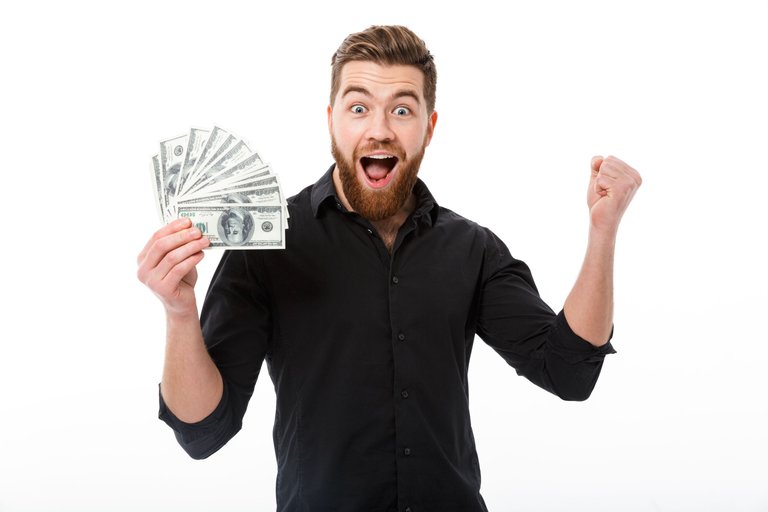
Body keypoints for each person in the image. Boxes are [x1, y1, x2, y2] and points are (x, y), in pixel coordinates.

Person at [137, 25, 642, 512]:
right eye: (359, 108)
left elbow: (569, 371)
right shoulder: (267, 247)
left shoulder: (474, 249)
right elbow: (203, 431)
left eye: (402, 109)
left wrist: (603, 232)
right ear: (332, 119)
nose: (379, 129)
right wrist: (180, 313)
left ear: (429, 126)